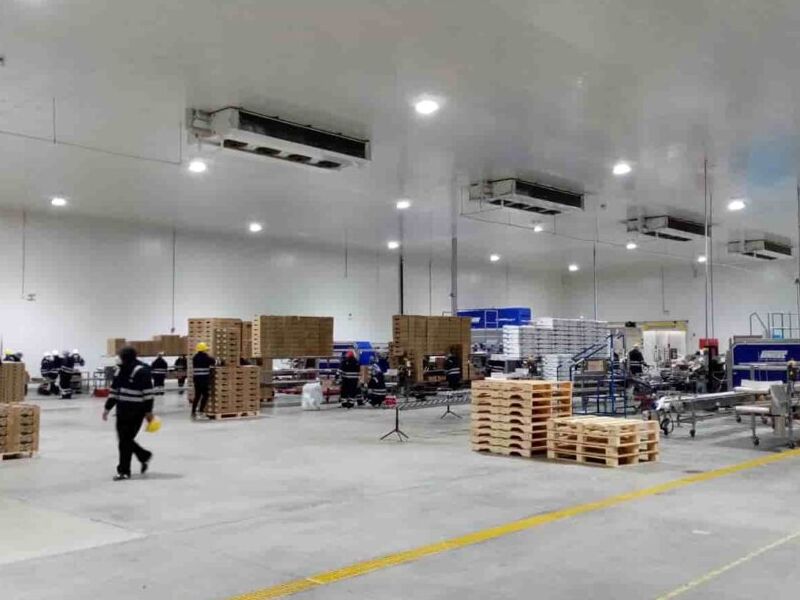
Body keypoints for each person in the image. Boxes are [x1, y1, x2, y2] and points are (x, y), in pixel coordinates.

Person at [103, 346, 155, 481]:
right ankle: (143, 455)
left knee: (124, 441)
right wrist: (107, 408)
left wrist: (148, 413)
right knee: (124, 440)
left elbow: (148, 394)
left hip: (136, 412)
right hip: (122, 411)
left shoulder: (142, 371)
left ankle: (124, 471)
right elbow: (114, 391)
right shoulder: (119, 371)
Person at [191, 342, 215, 419]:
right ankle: (201, 411)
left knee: (197, 396)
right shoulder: (206, 357)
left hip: (196, 380)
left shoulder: (195, 357)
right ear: (204, 350)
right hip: (204, 380)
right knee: (205, 395)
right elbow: (213, 361)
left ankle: (193, 412)